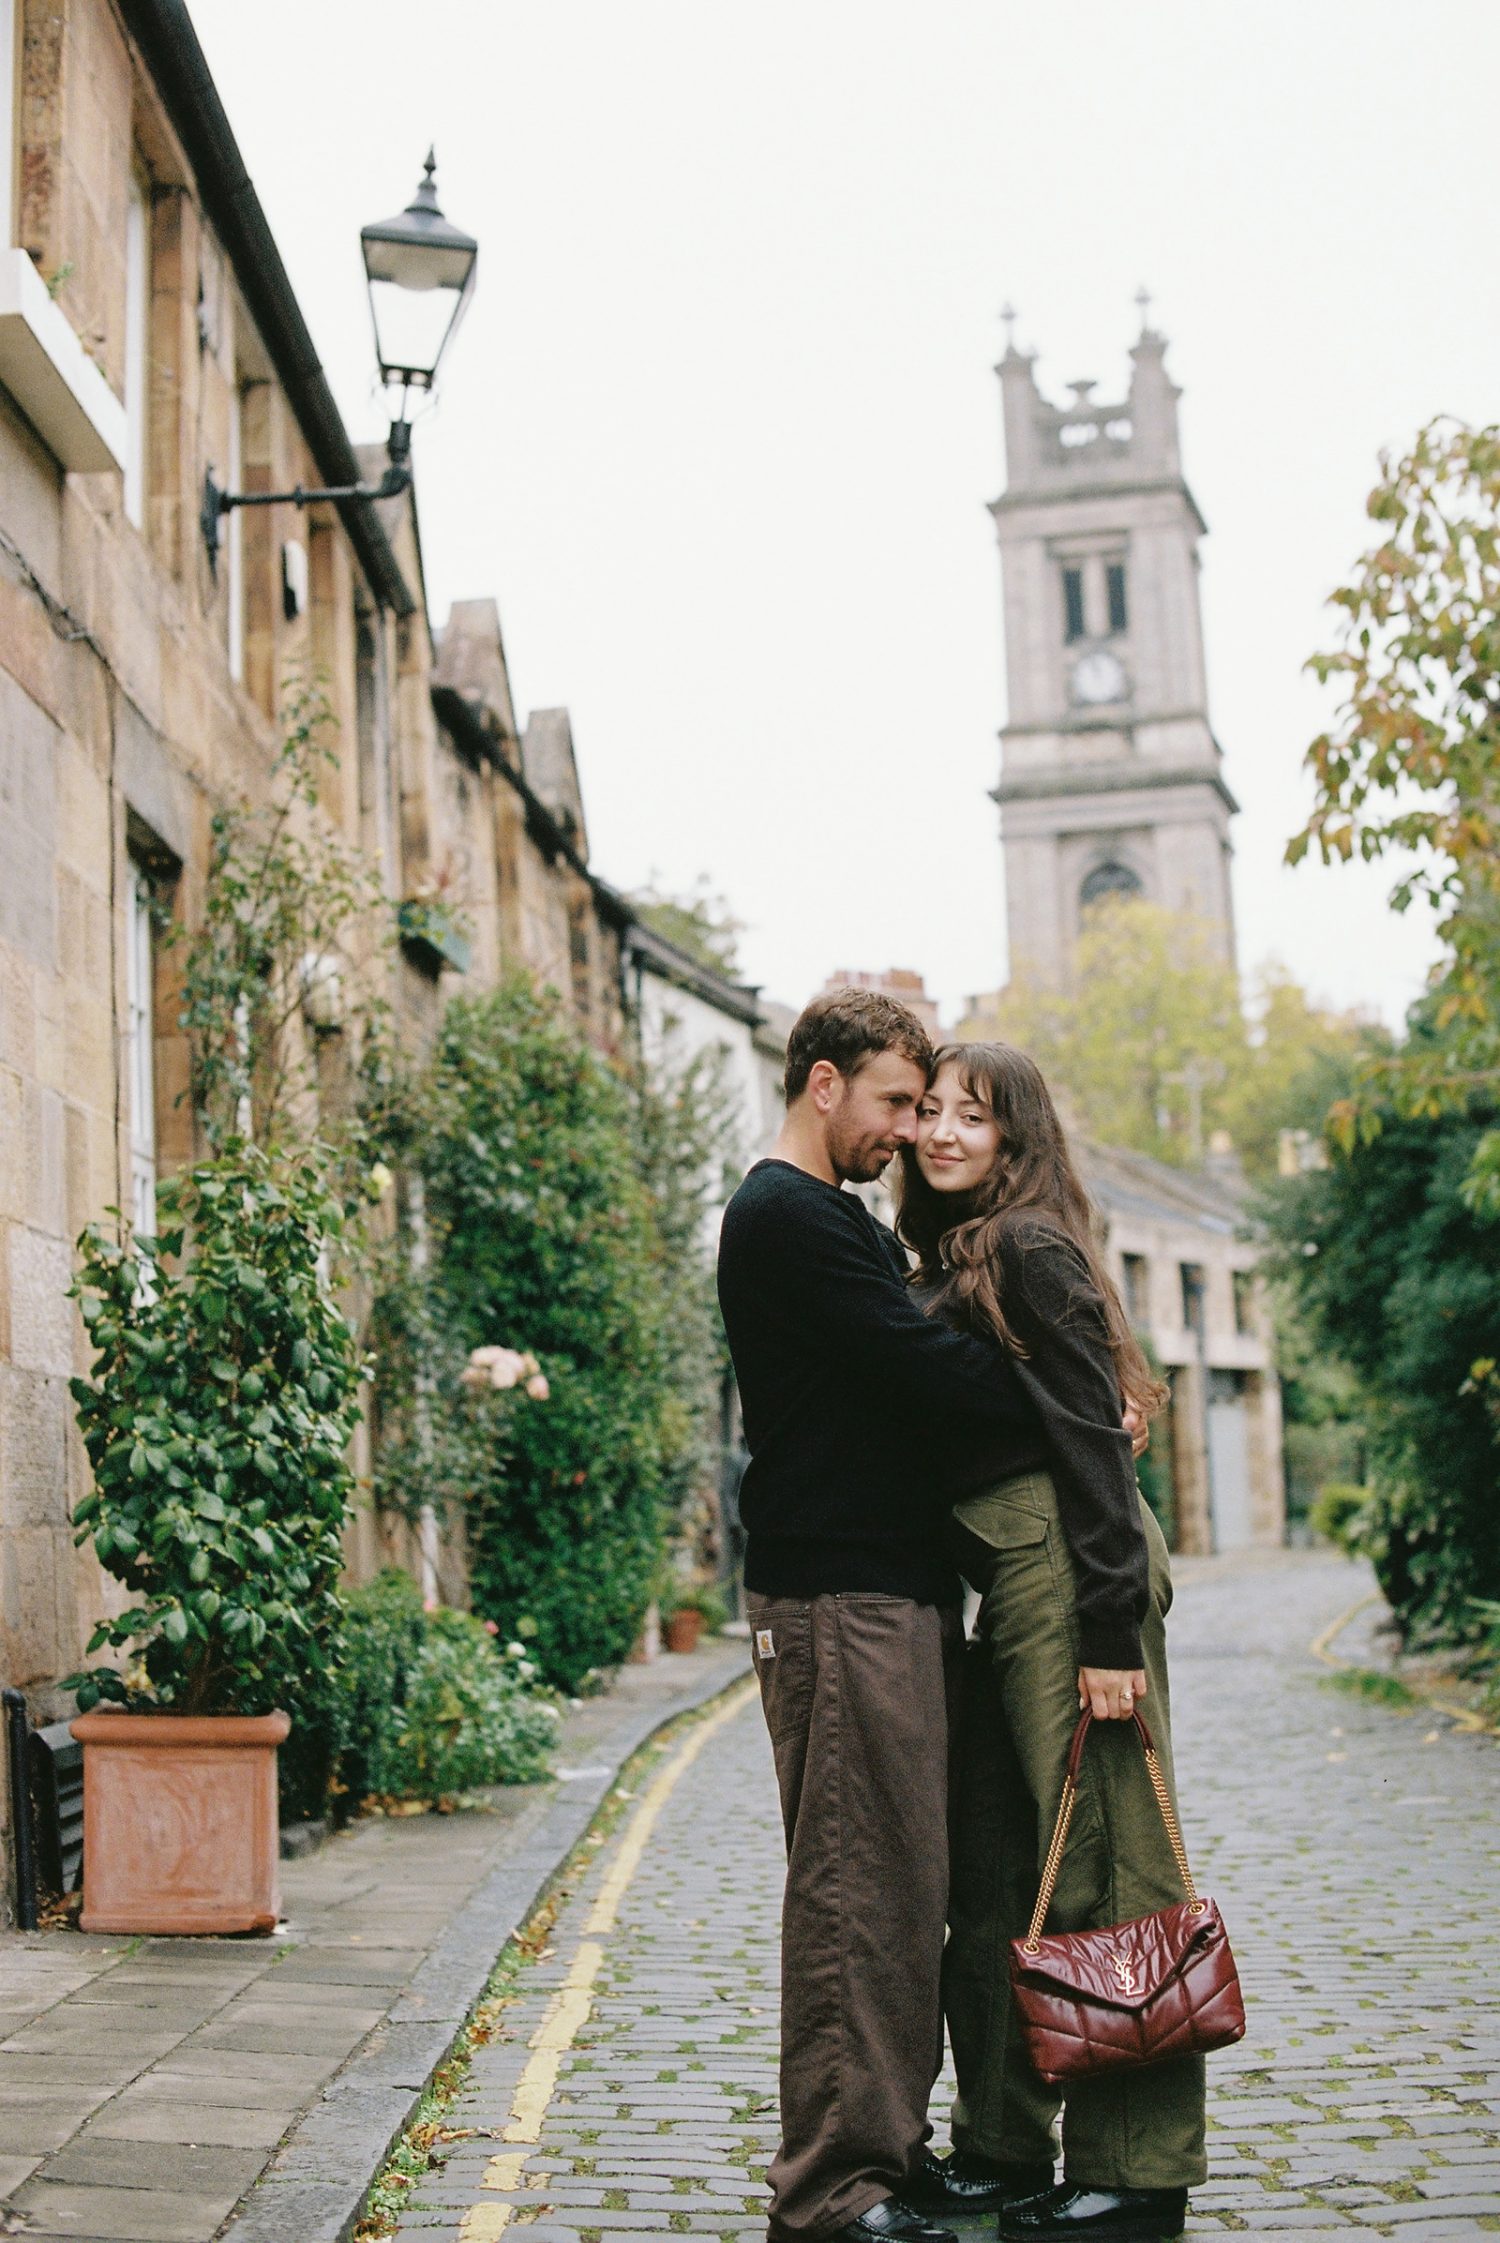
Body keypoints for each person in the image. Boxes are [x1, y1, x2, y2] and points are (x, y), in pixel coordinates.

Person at [718, 989, 1039, 2243]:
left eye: (922, 1106)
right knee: (858, 1890)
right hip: (834, 1595)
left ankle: (889, 2156)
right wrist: (1062, 1390)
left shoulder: (834, 1218)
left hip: (880, 1590)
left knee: (908, 1885)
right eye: (896, 1101)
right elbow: (924, 1375)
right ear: (823, 1083)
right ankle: (833, 2191)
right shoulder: (787, 1216)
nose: (908, 1130)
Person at [899, 1042, 1204, 2243]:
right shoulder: (963, 1252)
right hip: (1010, 1578)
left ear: (1016, 1135)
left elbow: (1090, 1432)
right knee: (1002, 1871)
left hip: (1072, 1571)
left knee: (1110, 1871)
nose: (941, 1131)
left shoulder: (1025, 1243)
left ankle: (1136, 2171)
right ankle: (1004, 2145)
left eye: (970, 1115)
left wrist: (1109, 1628)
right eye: (927, 1108)